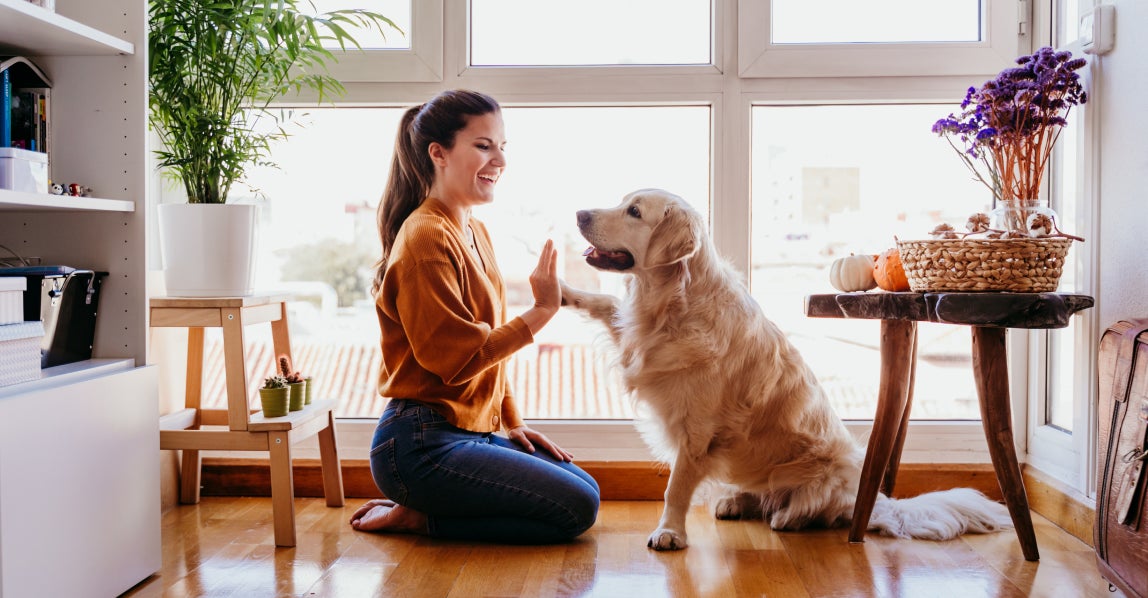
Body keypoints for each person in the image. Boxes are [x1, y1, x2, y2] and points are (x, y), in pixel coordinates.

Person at [349, 89, 600, 543]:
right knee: (576, 509)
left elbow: (489, 356)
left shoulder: (473, 229)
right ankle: (419, 517)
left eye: (502, 146)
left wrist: (512, 421)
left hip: (468, 430)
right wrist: (543, 310)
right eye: (484, 146)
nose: (499, 160)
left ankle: (425, 510)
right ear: (438, 153)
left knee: (586, 488)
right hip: (418, 444)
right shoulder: (425, 238)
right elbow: (458, 360)